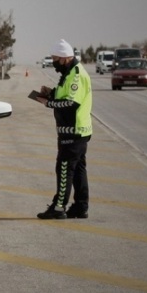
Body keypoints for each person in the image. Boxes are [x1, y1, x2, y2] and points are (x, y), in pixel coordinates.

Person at [34, 39, 92, 219]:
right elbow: (65, 95)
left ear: (65, 58)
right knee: (78, 171)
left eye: (55, 59)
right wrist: (51, 93)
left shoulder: (76, 75)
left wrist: (48, 103)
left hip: (73, 132)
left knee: (64, 169)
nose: (54, 63)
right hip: (75, 131)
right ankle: (81, 207)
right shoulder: (69, 73)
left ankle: (59, 208)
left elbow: (71, 103)